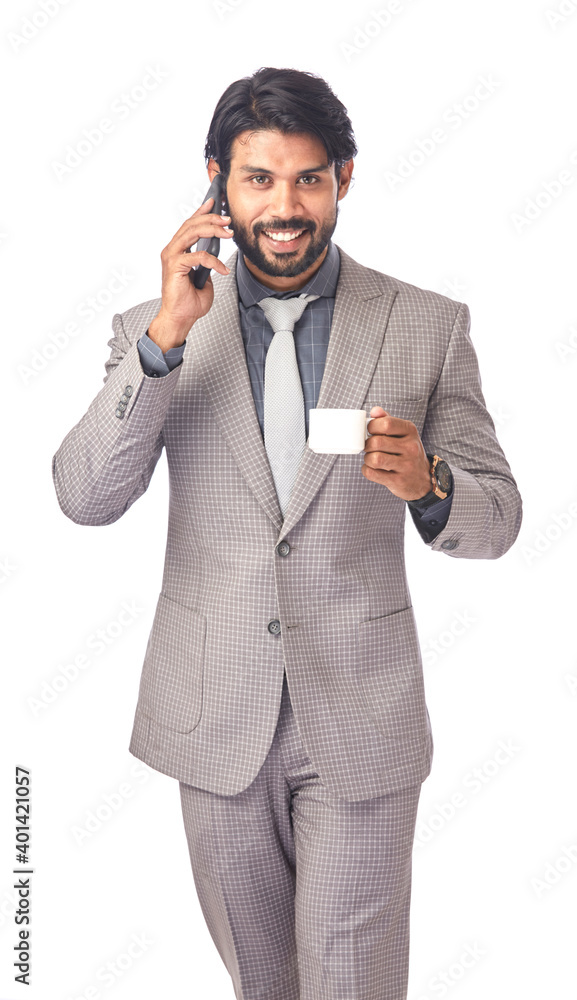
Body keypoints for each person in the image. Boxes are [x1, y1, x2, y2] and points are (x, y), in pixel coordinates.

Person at [52, 66, 522, 1000]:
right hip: (213, 714)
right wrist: (163, 340)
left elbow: (497, 517)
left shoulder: (425, 325)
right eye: (258, 178)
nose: (285, 204)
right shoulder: (155, 331)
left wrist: (429, 485)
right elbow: (85, 497)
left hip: (360, 715)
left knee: (348, 984)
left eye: (307, 178)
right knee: (262, 987)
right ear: (216, 185)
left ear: (344, 178)